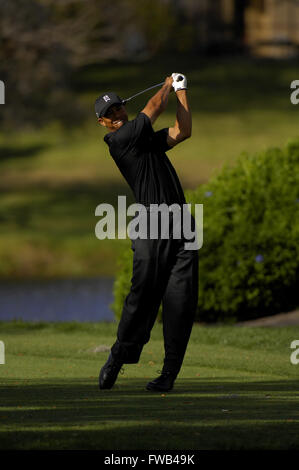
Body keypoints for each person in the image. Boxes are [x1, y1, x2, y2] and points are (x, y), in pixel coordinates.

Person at [95, 73, 198, 392]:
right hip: (151, 224)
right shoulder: (119, 141)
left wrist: (181, 92)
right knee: (143, 296)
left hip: (182, 224)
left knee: (181, 300)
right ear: (104, 123)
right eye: (111, 114)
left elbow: (183, 131)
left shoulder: (144, 139)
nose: (117, 114)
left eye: (119, 108)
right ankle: (118, 356)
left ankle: (168, 375)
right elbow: (152, 108)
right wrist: (167, 84)